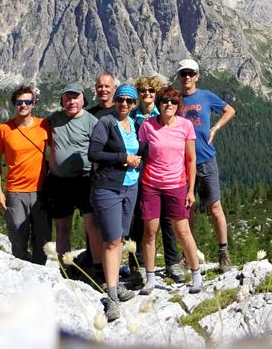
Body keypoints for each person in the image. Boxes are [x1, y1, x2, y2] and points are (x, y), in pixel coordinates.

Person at [136, 85, 203, 294]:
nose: (169, 105)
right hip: (151, 186)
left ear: (178, 105)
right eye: (165, 101)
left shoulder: (185, 126)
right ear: (159, 104)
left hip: (177, 186)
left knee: (183, 231)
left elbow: (191, 160)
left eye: (174, 102)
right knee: (150, 233)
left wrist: (191, 190)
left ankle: (196, 275)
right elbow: (138, 152)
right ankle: (150, 278)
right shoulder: (147, 126)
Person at [88, 84, 142, 321]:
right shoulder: (106, 123)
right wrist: (124, 158)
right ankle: (111, 296)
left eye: (129, 101)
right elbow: (94, 153)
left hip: (130, 186)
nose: (124, 104)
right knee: (111, 241)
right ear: (115, 101)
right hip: (108, 188)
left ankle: (115, 283)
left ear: (134, 105)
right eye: (120, 100)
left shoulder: (134, 125)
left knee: (119, 238)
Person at [176, 58, 236, 271]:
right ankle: (188, 255)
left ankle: (223, 253)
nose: (187, 77)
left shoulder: (206, 96)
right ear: (179, 77)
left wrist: (216, 128)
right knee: (186, 210)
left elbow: (230, 110)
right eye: (183, 74)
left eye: (191, 73)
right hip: (182, 165)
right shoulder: (174, 100)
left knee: (215, 207)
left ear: (197, 76)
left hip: (206, 160)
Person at [44, 83, 106, 279]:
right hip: (59, 181)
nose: (71, 101)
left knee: (92, 226)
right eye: (67, 98)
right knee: (62, 227)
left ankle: (98, 269)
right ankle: (65, 270)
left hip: (85, 180)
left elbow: (100, 150)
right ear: (62, 101)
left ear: (83, 100)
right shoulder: (53, 120)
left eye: (75, 97)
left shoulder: (91, 121)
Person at [128, 74, 184, 284]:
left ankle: (172, 262)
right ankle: (137, 265)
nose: (147, 94)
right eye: (143, 91)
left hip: (162, 175)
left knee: (167, 221)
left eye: (152, 91)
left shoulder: (163, 115)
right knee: (141, 221)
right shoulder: (132, 116)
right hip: (137, 173)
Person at [0, 85, 51, 264]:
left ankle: (39, 273)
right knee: (18, 238)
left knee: (42, 240)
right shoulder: (4, 129)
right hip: (15, 192)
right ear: (14, 104)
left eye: (27, 102)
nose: (23, 105)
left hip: (41, 192)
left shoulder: (44, 125)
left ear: (33, 104)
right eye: (19, 102)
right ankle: (21, 272)